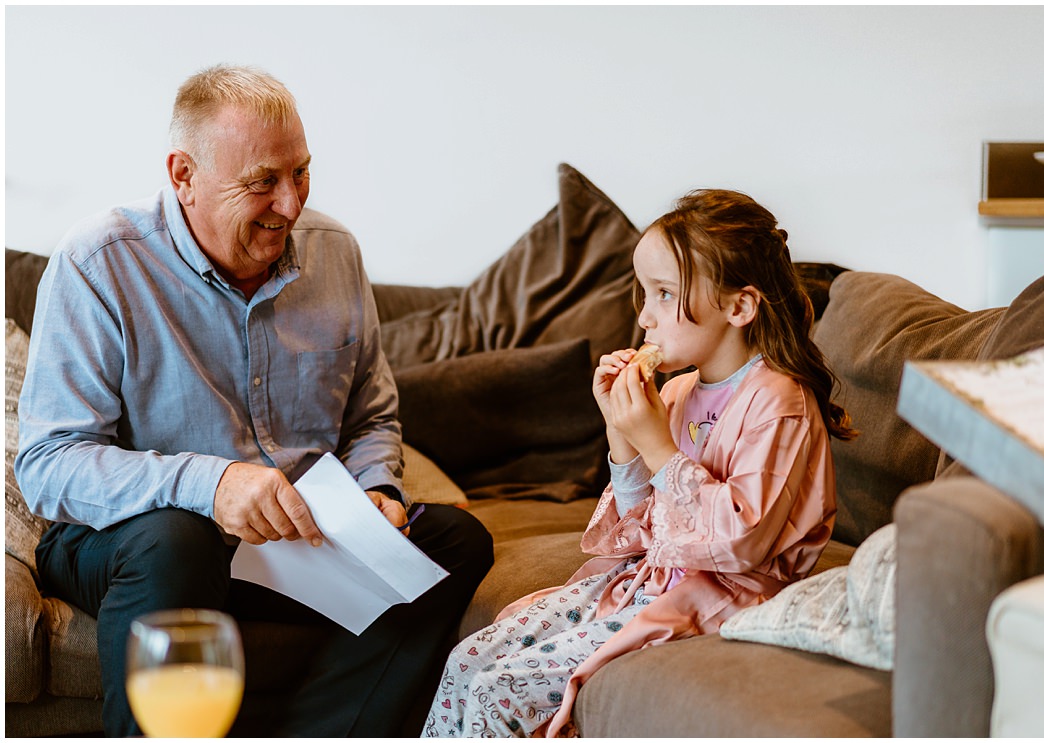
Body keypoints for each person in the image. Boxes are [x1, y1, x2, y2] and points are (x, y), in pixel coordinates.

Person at [16, 64, 493, 737]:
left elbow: (370, 413)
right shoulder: (98, 264)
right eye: (262, 182)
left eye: (300, 173)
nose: (292, 204)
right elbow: (49, 463)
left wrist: (375, 485)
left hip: (290, 539)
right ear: (184, 175)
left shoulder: (336, 254)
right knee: (178, 538)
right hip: (133, 538)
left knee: (455, 541)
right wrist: (212, 486)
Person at [422, 189, 856, 737]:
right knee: (466, 661)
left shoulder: (780, 400)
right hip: (646, 580)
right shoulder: (675, 393)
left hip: (721, 595)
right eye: (643, 292)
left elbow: (742, 539)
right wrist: (622, 436)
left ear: (738, 307)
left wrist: (657, 446)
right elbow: (636, 536)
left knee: (495, 691)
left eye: (664, 293)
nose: (644, 316)